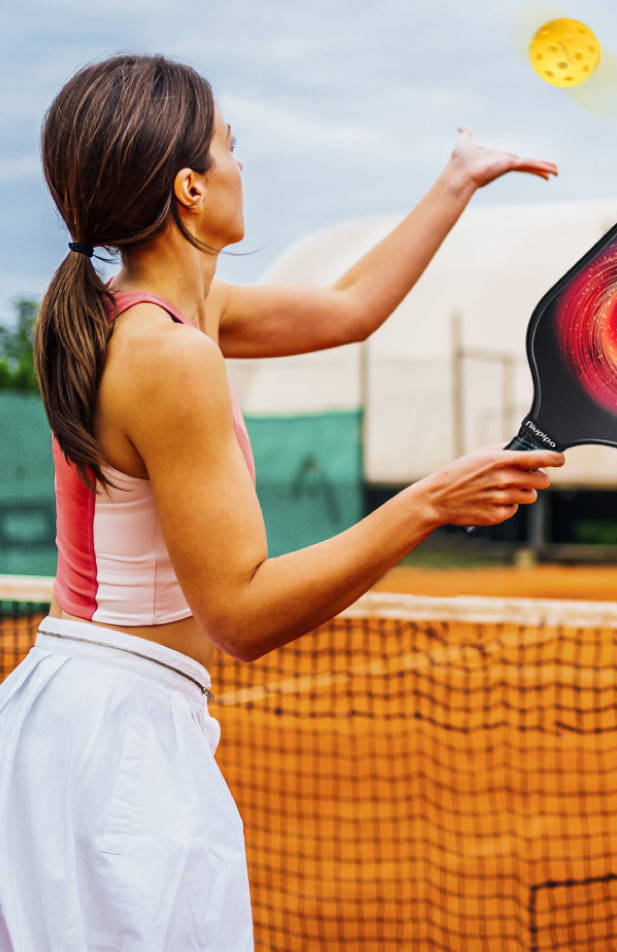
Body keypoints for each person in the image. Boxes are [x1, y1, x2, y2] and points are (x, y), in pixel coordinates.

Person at [0, 54, 564, 950]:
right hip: (116, 742)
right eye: (232, 146)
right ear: (191, 187)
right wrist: (426, 503)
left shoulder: (149, 316)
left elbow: (349, 307)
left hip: (89, 716)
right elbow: (242, 612)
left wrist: (456, 183)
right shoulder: (167, 355)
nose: (240, 164)